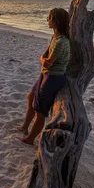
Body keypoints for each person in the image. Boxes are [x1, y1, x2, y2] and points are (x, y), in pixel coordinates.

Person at [17, 8, 70, 145]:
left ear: (55, 21)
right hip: (45, 74)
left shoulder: (61, 42)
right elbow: (46, 54)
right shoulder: (55, 37)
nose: (47, 20)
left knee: (40, 110)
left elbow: (48, 62)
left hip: (53, 77)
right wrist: (43, 59)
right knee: (30, 96)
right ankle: (24, 127)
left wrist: (42, 60)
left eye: (50, 18)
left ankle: (30, 139)